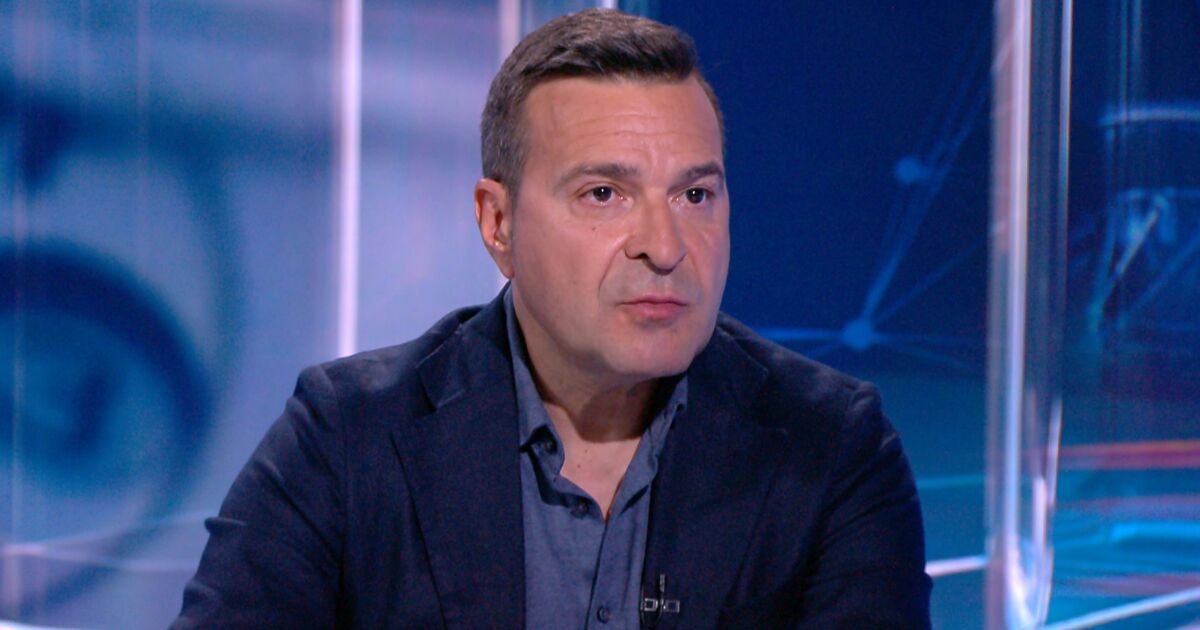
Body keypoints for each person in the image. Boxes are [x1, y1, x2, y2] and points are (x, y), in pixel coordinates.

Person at [173, 8, 930, 629]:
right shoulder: (346, 438)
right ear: (498, 223)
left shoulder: (833, 448)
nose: (666, 247)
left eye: (695, 195)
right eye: (604, 194)